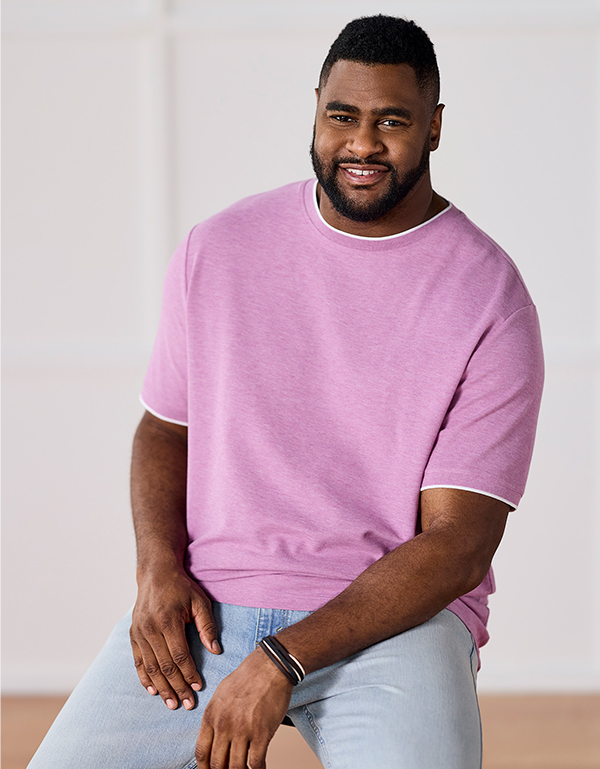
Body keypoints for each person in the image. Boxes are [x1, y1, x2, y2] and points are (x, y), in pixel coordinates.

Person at [28, 14, 544, 769]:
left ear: (434, 127)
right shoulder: (220, 248)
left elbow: (458, 545)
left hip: (394, 622)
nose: (362, 143)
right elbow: (166, 428)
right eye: (343, 116)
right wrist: (157, 569)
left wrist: (282, 659)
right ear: (316, 112)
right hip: (210, 610)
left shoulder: (489, 297)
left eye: (392, 121)